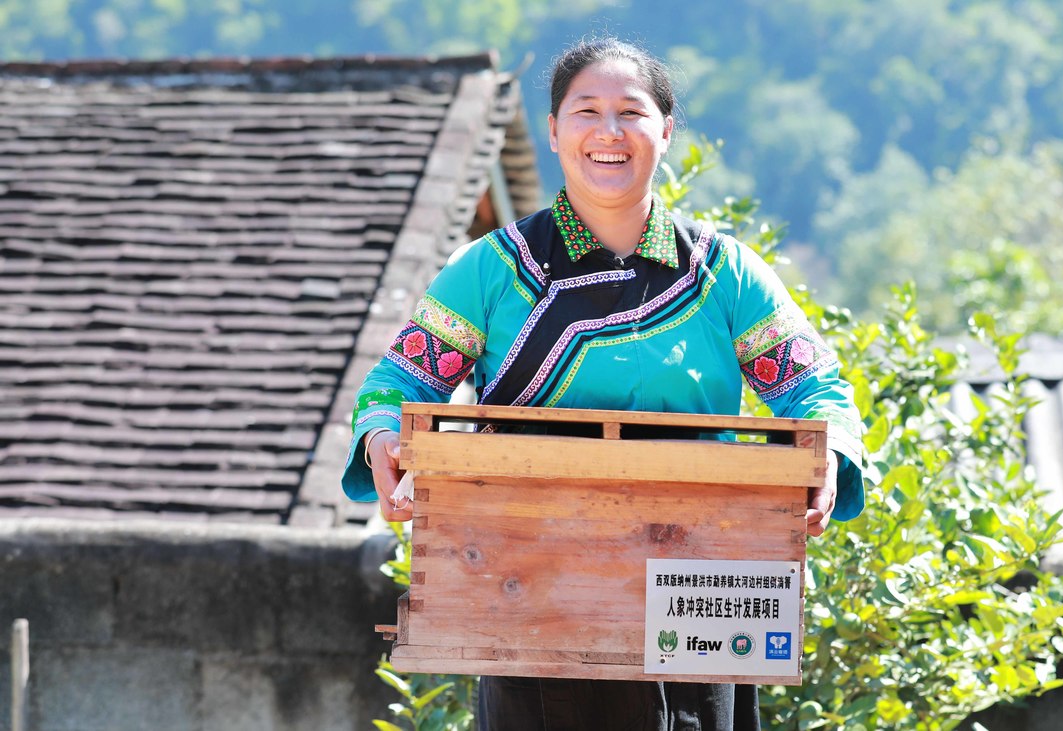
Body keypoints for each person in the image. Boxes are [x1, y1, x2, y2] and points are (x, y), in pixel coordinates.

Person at [341, 36, 864, 731]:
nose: (608, 132)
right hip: (528, 585)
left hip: (703, 593)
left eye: (632, 112)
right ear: (554, 131)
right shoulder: (493, 270)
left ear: (666, 131)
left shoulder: (725, 273)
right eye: (586, 111)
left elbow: (817, 391)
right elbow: (398, 382)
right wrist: (382, 435)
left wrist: (827, 457)